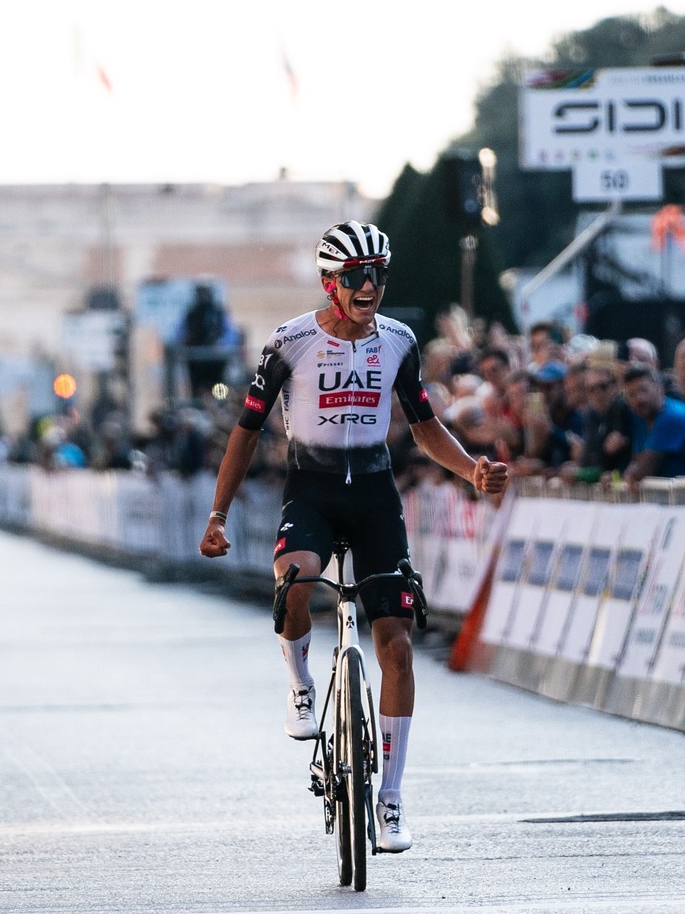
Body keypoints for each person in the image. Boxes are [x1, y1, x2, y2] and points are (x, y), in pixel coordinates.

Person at [199, 221, 508, 853]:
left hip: (374, 498)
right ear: (329, 283)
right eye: (357, 276)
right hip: (311, 493)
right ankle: (302, 684)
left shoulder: (398, 340)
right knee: (294, 583)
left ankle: (390, 797)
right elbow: (247, 432)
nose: (370, 286)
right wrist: (218, 516)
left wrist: (471, 469)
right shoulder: (290, 341)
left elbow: (425, 427)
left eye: (379, 275)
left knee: (395, 642)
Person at [620, 362, 685, 483]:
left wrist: (617, 479)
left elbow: (642, 471)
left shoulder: (672, 416)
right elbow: (636, 462)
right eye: (632, 394)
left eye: (643, 390)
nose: (639, 399)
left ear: (659, 389)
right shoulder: (641, 418)